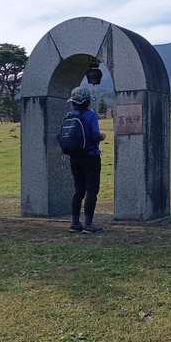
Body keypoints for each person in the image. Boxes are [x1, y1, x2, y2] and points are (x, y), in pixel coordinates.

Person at [65, 86, 106, 234]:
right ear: (87, 101)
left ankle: (75, 223)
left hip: (74, 157)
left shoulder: (69, 116)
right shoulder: (91, 115)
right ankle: (88, 224)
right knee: (91, 189)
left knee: (78, 190)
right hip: (90, 156)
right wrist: (102, 136)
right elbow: (95, 135)